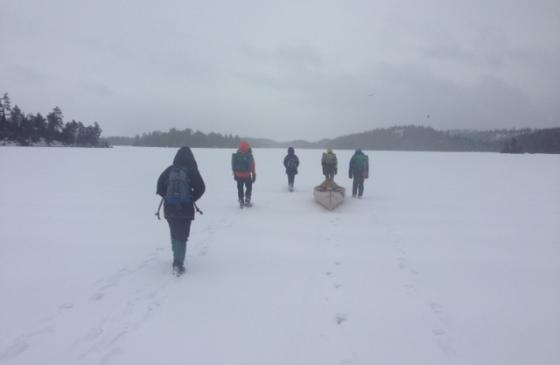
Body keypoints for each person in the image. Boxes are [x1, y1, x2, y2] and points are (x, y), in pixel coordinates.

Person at [157, 147, 205, 276]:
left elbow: (159, 186)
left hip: (169, 208)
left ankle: (176, 257)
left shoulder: (169, 170)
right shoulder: (192, 171)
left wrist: (168, 197)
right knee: (182, 236)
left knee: (174, 232)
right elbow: (201, 188)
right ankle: (178, 264)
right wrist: (190, 198)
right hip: (186, 209)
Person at [232, 140, 256, 207]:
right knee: (249, 187)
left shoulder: (237, 154)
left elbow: (233, 165)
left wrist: (234, 174)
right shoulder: (249, 155)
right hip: (247, 175)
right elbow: (252, 165)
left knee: (240, 188)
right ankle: (247, 200)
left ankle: (241, 201)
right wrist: (254, 174)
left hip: (238, 175)